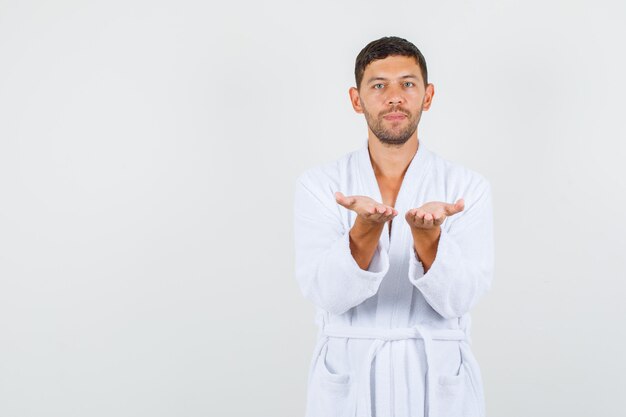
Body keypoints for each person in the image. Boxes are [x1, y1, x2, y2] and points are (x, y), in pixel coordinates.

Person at [293, 36, 494, 417]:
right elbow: (326, 295)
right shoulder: (321, 186)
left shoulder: (468, 188)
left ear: (428, 95)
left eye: (408, 83)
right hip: (350, 375)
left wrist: (429, 239)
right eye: (379, 85)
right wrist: (364, 231)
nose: (395, 97)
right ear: (357, 99)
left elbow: (461, 299)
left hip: (434, 377)